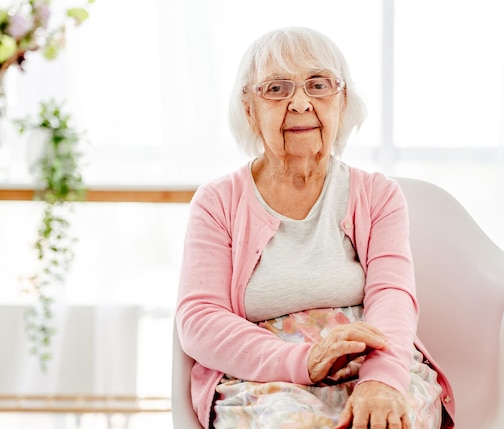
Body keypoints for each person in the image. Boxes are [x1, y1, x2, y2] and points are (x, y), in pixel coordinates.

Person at [176, 27, 455, 429]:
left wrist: (381, 380)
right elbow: (199, 318)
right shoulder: (218, 201)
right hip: (261, 372)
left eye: (318, 84)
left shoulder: (378, 195)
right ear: (249, 107)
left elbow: (393, 297)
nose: (301, 103)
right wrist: (303, 360)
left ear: (342, 101)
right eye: (276, 89)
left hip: (373, 359)